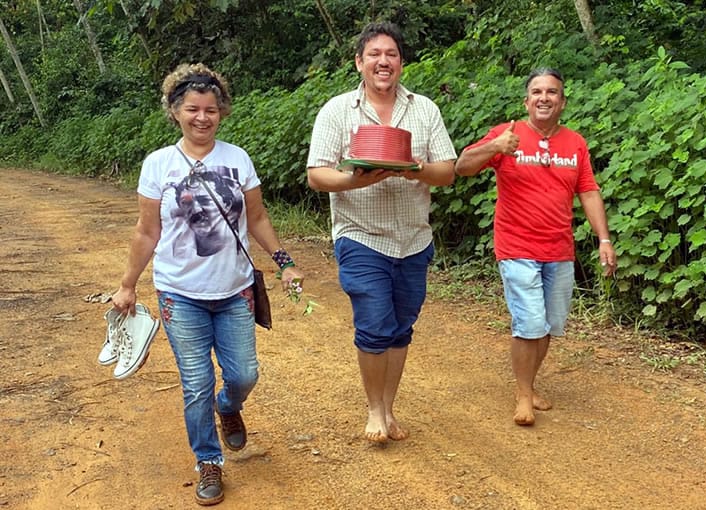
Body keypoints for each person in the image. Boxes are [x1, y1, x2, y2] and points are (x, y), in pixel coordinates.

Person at [110, 63, 304, 506]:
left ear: (222, 113)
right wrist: (127, 285)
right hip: (180, 292)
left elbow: (256, 218)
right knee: (195, 382)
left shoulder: (237, 159)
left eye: (211, 110)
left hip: (234, 289)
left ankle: (229, 407)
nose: (202, 117)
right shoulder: (158, 164)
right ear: (175, 111)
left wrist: (285, 263)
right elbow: (146, 232)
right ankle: (207, 462)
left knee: (243, 374)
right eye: (193, 109)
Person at [306, 21, 456, 443]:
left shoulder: (424, 109)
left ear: (402, 64)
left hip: (414, 237)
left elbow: (447, 171)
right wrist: (358, 180)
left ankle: (388, 408)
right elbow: (317, 175)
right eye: (374, 54)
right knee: (374, 324)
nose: (383, 61)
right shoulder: (337, 111)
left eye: (391, 54)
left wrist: (415, 169)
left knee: (400, 327)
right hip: (360, 235)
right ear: (359, 63)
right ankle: (374, 409)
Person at [454, 67, 617, 426]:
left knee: (547, 327)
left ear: (562, 101)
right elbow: (461, 167)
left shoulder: (575, 143)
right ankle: (523, 394)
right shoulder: (506, 134)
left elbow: (588, 191)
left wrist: (604, 239)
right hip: (516, 246)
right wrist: (494, 147)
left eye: (552, 92)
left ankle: (529, 383)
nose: (545, 98)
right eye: (537, 92)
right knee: (529, 323)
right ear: (526, 100)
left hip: (559, 249)